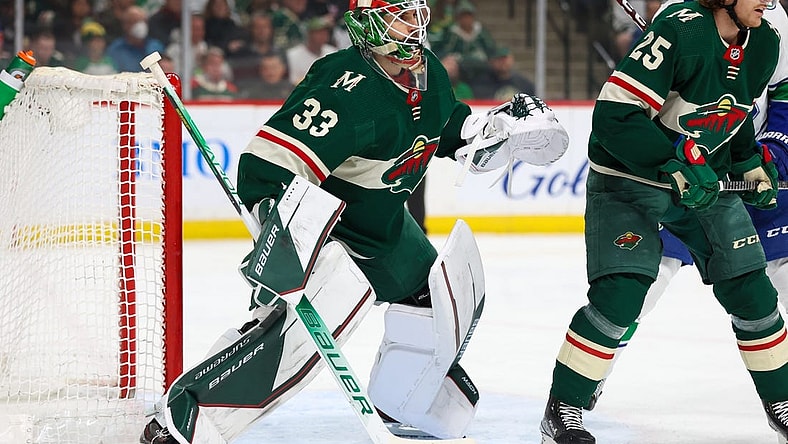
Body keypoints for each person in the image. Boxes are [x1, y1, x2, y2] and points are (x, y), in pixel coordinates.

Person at [140, 1, 569, 443]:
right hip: (331, 231)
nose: (413, 26)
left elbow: (441, 121)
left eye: (416, 13)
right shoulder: (346, 90)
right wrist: (282, 232)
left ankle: (400, 405)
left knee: (444, 297)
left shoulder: (430, 71)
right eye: (399, 16)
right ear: (368, 23)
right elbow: (265, 165)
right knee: (306, 330)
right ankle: (184, 419)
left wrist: (481, 132)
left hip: (381, 230)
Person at [538, 1, 788, 443]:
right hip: (628, 180)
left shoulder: (765, 40)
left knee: (752, 289)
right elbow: (614, 117)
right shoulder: (679, 30)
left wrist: (748, 163)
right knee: (622, 294)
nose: (768, 1)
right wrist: (667, 164)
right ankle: (564, 407)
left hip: (701, 181)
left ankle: (780, 402)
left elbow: (736, 113)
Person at [106, 6, 164, 72]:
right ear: (125, 25)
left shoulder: (156, 46)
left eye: (143, 21)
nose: (141, 25)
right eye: (136, 21)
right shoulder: (116, 49)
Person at [285, 15, 337, 85]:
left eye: (325, 32)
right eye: (319, 32)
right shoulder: (293, 54)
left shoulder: (333, 52)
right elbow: (293, 81)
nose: (323, 35)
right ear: (309, 34)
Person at [469, 46, 535, 101]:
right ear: (491, 61)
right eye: (499, 59)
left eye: (505, 58)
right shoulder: (481, 84)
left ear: (512, 60)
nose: (503, 62)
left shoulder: (525, 85)